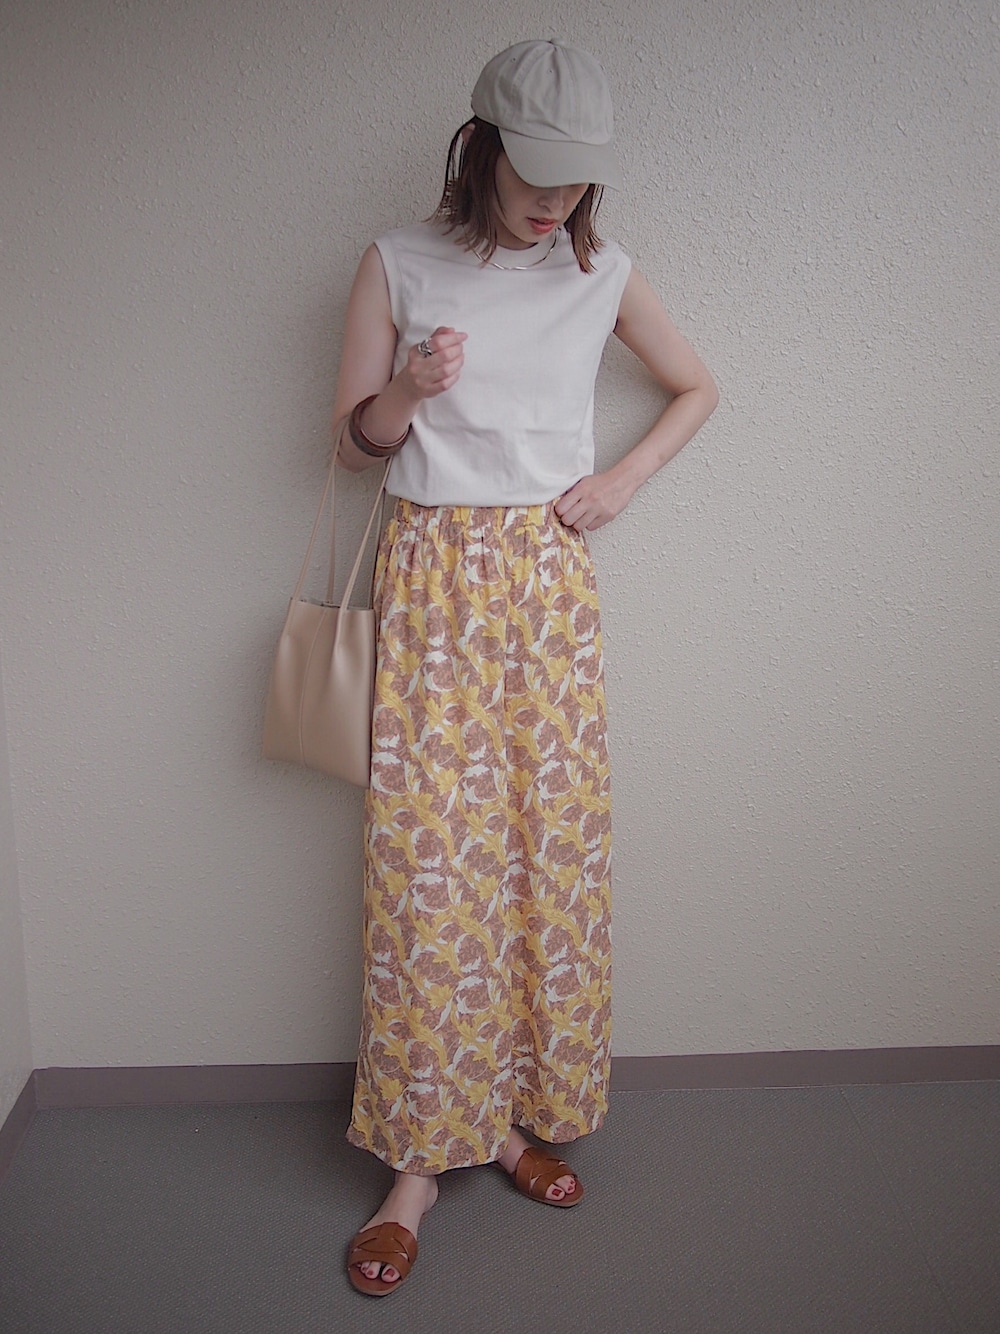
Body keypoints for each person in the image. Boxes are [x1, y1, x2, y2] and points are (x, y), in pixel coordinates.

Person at [332, 39, 718, 1296]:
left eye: (575, 178)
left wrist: (621, 480)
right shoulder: (398, 260)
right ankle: (415, 1164)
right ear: (482, 147)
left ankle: (505, 1118)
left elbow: (696, 387)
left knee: (544, 852)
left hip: (546, 586)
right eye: (535, 171)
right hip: (433, 577)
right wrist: (407, 387)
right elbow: (350, 444)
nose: (555, 200)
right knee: (428, 866)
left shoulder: (599, 273)